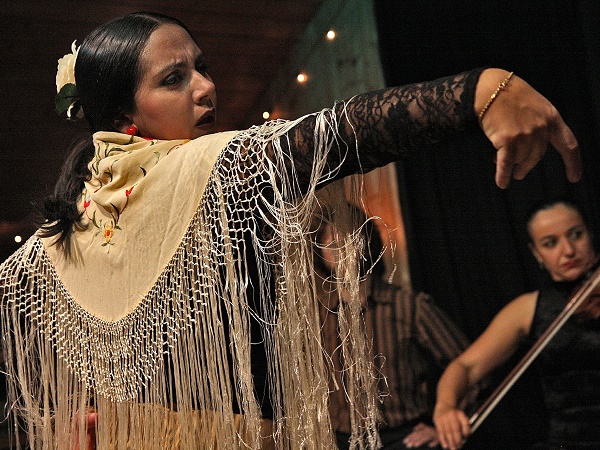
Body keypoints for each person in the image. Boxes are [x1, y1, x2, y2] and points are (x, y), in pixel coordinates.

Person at [0, 10, 582, 450]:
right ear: (125, 113)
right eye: (175, 78)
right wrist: (477, 93)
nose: (206, 86)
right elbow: (333, 136)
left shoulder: (61, 235)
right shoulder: (204, 171)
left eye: (201, 66)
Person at [433, 198, 600, 450]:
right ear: (536, 253)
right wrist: (445, 407)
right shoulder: (529, 308)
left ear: (590, 234)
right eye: (550, 243)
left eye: (576, 235)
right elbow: (465, 366)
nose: (568, 250)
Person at [313, 208, 473, 449]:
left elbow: (469, 366)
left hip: (403, 437)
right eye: (332, 246)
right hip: (341, 440)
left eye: (349, 241)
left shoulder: (408, 305)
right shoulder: (319, 315)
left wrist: (443, 426)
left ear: (365, 243)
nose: (342, 253)